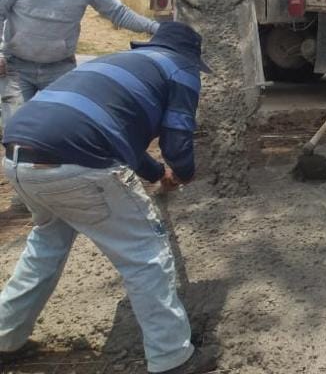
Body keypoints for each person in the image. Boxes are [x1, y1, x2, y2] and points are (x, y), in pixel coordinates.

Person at [0, 22, 217, 374]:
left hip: (19, 157)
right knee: (146, 254)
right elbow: (177, 141)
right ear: (192, 56)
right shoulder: (182, 69)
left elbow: (113, 133)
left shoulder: (117, 63)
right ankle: (172, 358)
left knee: (46, 246)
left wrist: (156, 174)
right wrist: (183, 173)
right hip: (79, 161)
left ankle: (5, 338)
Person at [0, 0, 160, 130]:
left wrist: (157, 29)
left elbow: (118, 13)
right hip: (17, 67)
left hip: (59, 68)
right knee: (17, 128)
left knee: (63, 128)